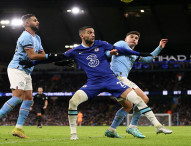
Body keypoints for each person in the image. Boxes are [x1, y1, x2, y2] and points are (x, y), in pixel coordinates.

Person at [20, 26, 172, 140]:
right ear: (82, 35)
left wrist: (142, 53)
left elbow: (114, 51)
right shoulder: (76, 51)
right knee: (73, 102)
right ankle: (74, 133)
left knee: (137, 101)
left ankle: (157, 126)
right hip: (94, 83)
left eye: (93, 33)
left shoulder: (102, 43)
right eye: (89, 33)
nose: (93, 35)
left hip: (111, 80)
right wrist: (31, 62)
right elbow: (57, 57)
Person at [0, 14, 63, 138]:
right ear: (27, 23)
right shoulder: (25, 36)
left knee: (28, 99)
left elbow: (42, 56)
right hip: (17, 68)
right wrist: (52, 56)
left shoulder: (37, 37)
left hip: (26, 71)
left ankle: (18, 128)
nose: (38, 22)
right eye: (34, 20)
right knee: (17, 97)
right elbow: (33, 56)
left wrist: (58, 60)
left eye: (37, 19)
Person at [105, 31, 168, 138]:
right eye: (131, 37)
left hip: (116, 81)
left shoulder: (133, 55)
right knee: (144, 98)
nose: (134, 39)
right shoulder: (121, 44)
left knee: (128, 106)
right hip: (118, 78)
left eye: (136, 38)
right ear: (126, 39)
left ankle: (111, 130)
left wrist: (160, 47)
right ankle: (132, 127)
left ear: (137, 42)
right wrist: (110, 53)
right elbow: (108, 52)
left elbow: (147, 59)